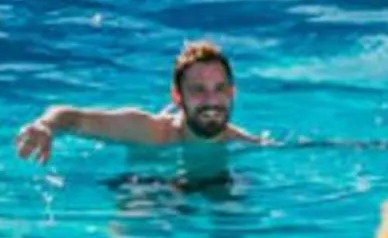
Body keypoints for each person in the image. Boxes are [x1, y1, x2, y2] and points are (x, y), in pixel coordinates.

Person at [15, 39, 263, 177]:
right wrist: (45, 126)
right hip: (147, 187)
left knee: (233, 213)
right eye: (198, 90)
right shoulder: (145, 130)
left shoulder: (245, 143)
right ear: (177, 97)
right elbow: (73, 117)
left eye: (219, 88)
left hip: (208, 186)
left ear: (232, 93)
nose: (211, 100)